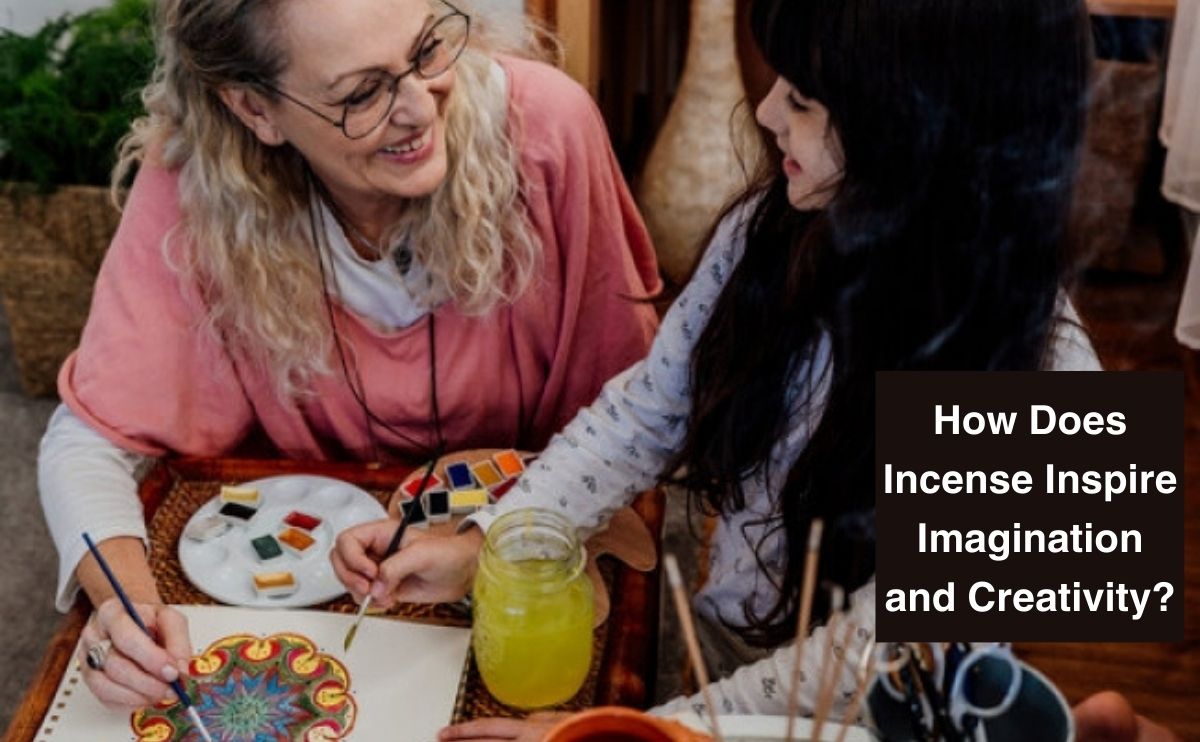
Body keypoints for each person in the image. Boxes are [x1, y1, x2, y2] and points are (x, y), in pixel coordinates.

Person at [330, 0, 1174, 739]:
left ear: (921, 138)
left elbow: (883, 659)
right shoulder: (777, 226)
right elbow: (647, 411)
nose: (767, 111)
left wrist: (649, 730)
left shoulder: (1061, 392)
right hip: (716, 650)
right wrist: (495, 539)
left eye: (804, 100)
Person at [39, 0, 661, 711]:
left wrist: (487, 542)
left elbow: (638, 417)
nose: (419, 109)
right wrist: (125, 608)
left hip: (525, 550)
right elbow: (85, 444)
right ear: (253, 109)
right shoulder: (200, 182)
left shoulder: (550, 129)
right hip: (315, 574)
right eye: (362, 94)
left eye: (427, 49)